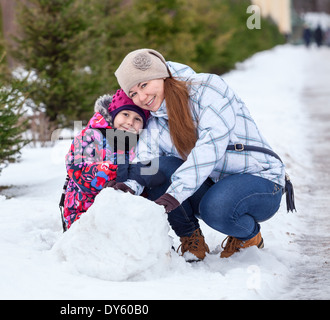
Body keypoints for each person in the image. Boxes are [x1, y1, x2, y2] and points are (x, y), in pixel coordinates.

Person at [111, 48, 286, 260]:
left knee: (217, 207)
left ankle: (249, 235)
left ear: (161, 74)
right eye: (133, 94)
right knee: (158, 169)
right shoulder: (156, 120)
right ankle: (191, 239)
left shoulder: (209, 88)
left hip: (261, 180)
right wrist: (128, 187)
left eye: (144, 85)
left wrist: (175, 193)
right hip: (212, 185)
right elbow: (146, 162)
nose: (142, 97)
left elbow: (210, 146)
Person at [63, 89, 164, 230]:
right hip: (85, 213)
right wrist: (121, 170)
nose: (130, 122)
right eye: (126, 114)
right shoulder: (90, 135)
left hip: (124, 215)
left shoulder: (141, 145)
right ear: (113, 114)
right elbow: (78, 169)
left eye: (137, 119)